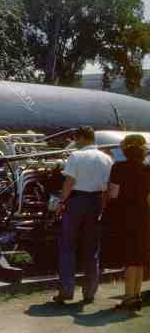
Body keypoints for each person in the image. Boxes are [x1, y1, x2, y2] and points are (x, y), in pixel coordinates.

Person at [53, 126, 113, 304]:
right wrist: (103, 207)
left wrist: (61, 202)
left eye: (76, 139)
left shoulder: (76, 156)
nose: (75, 142)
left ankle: (66, 290)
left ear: (81, 138)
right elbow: (108, 188)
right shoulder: (107, 159)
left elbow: (70, 181)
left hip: (77, 201)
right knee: (92, 248)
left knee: (68, 246)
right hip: (96, 201)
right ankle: (89, 293)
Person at [107, 135, 150, 311]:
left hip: (125, 215)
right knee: (139, 258)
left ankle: (129, 298)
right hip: (144, 216)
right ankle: (137, 295)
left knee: (130, 259)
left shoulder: (118, 168)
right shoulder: (148, 169)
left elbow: (114, 194)